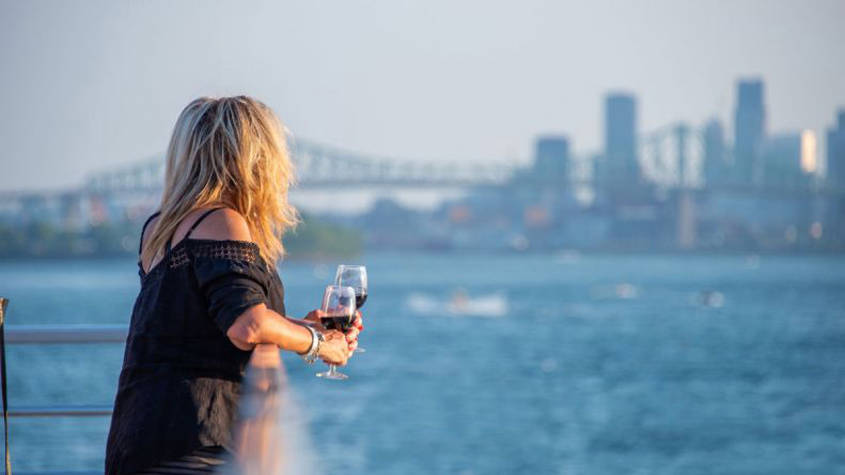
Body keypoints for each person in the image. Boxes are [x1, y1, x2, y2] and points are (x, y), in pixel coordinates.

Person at [105, 96, 360, 474]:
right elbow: (248, 325)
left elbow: (198, 324)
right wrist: (322, 346)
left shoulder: (158, 228)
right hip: (197, 444)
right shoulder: (223, 222)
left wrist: (301, 327)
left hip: (138, 436)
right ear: (258, 158)